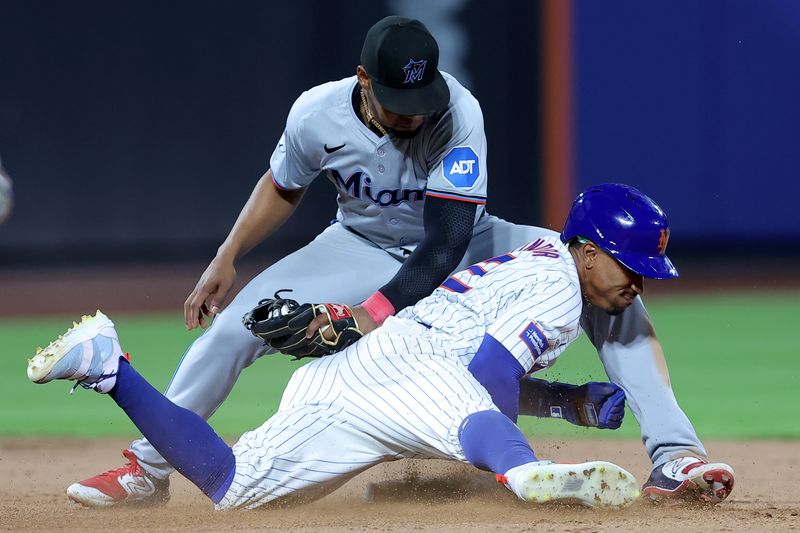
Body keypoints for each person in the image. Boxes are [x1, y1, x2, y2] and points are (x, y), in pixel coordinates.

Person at [65, 16, 732, 506]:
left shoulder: (457, 113)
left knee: (607, 281)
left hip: (463, 239)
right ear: (363, 81)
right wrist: (228, 254)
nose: (416, 117)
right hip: (358, 245)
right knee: (237, 326)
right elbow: (283, 187)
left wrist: (371, 314)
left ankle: (675, 456)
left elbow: (442, 246)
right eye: (398, 105)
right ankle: (147, 468)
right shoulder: (316, 116)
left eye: (423, 103)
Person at [29, 184, 708, 510]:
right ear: (587, 252)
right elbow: (486, 379)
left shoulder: (538, 260)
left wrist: (566, 403)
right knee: (477, 427)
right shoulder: (561, 288)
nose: (639, 282)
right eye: (629, 265)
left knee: (231, 487)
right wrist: (492, 460)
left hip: (360, 369)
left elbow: (480, 372)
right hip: (418, 365)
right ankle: (524, 474)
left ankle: (107, 365)